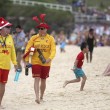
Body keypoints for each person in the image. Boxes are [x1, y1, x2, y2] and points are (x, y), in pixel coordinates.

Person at [24, 14, 56, 104]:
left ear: (46, 29)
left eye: (43, 28)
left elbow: (53, 50)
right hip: (35, 61)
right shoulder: (34, 38)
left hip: (46, 62)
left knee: (43, 80)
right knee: (36, 78)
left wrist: (49, 59)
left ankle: (42, 96)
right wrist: (27, 60)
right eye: (40, 28)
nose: (41, 30)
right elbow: (27, 48)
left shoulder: (50, 38)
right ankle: (37, 97)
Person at [0, 17, 17, 109]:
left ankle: (0, 103)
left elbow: (13, 52)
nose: (10, 29)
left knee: (3, 84)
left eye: (10, 27)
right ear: (1, 28)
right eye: (7, 27)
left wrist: (15, 63)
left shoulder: (10, 37)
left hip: (6, 66)